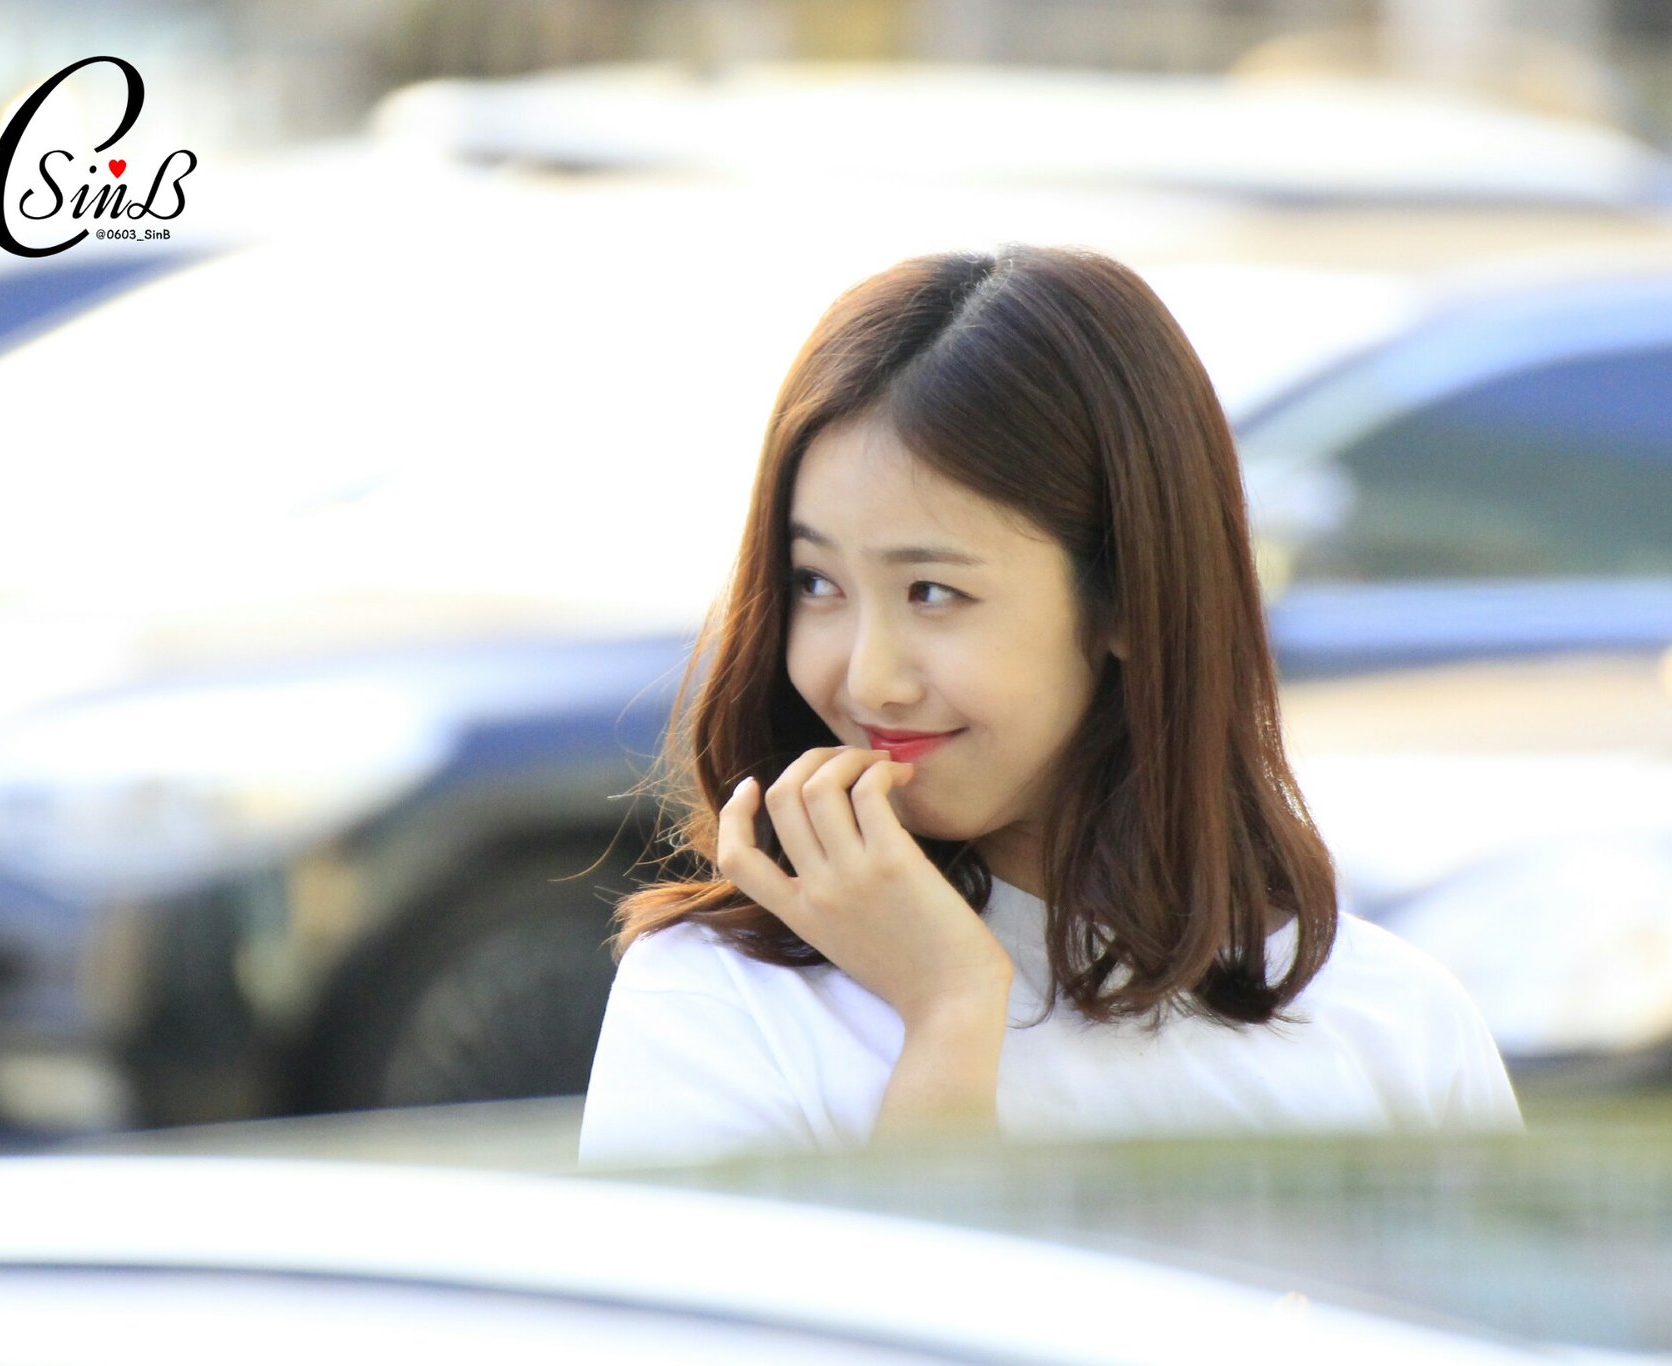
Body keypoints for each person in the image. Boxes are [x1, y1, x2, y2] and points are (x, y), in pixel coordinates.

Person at [578, 244, 1520, 1167]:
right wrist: (950, 1012)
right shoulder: (717, 1003)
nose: (867, 679)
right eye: (816, 582)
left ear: (1128, 602)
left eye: (932, 592)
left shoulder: (1393, 1026)